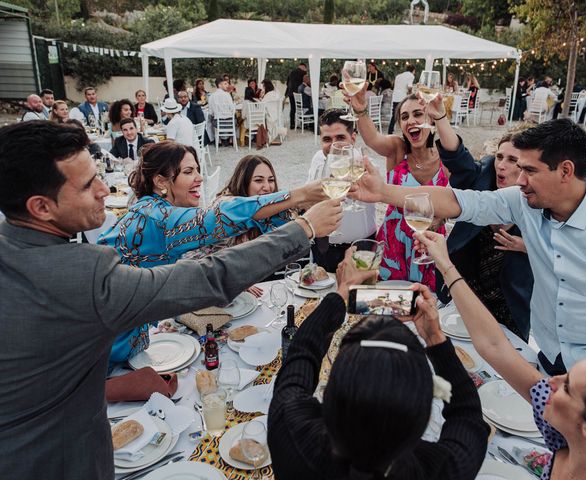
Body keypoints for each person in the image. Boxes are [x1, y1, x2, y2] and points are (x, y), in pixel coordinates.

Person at [0, 120, 341, 480]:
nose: (104, 190)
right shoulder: (88, 270)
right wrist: (303, 223)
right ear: (40, 207)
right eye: (87, 185)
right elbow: (211, 272)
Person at [353, 118, 586, 373]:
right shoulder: (523, 200)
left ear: (565, 170)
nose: (521, 180)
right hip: (548, 354)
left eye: (529, 170)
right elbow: (458, 201)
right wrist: (383, 192)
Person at [415, 230, 586, 480]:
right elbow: (495, 346)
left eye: (567, 387)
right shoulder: (564, 435)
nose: (550, 380)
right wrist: (446, 266)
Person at [268, 249, 489, 480]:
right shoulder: (443, 470)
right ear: (422, 418)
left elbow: (302, 353)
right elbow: (468, 416)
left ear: (330, 395)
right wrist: (435, 339)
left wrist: (341, 295)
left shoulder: (293, 438)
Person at [99, 144, 327, 365]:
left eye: (198, 170)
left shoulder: (151, 211)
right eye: (189, 172)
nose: (199, 177)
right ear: (161, 182)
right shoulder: (154, 218)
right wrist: (301, 195)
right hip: (105, 352)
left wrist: (305, 209)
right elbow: (220, 217)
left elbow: (263, 224)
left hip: (125, 341)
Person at [349, 87, 450, 290]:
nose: (411, 120)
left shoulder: (446, 159)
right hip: (393, 242)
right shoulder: (397, 149)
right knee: (390, 301)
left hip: (427, 244)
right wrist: (360, 110)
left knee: (426, 302)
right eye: (404, 117)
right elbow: (372, 139)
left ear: (430, 119)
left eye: (418, 114)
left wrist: (440, 218)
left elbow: (456, 200)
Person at [437, 132, 533, 341]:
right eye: (499, 157)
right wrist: (440, 118)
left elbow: (561, 255)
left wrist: (528, 247)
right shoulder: (482, 186)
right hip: (467, 300)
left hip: (509, 312)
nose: (501, 165)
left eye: (512, 160)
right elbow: (458, 160)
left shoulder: (537, 205)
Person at [306, 109, 377, 272]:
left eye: (340, 138)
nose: (334, 145)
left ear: (353, 138)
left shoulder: (366, 165)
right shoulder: (318, 159)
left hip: (359, 248)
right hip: (323, 246)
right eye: (327, 139)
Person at [389, 64, 415, 134]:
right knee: (404, 114)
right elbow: (409, 87)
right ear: (413, 70)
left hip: (395, 97)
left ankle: (390, 131)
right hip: (402, 97)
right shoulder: (411, 75)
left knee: (394, 115)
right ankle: (405, 131)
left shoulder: (398, 76)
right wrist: (410, 94)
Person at [260, 79, 283, 144]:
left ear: (266, 86)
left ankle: (265, 137)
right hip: (276, 114)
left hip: (270, 115)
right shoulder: (275, 93)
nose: (263, 88)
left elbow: (262, 105)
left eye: (264, 86)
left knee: (261, 115)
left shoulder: (268, 95)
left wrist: (261, 97)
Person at [285, 62, 307, 129]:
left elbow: (287, 83)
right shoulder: (303, 73)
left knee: (293, 108)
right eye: (305, 68)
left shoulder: (291, 72)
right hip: (298, 93)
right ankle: (303, 123)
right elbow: (305, 82)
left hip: (291, 92)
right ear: (303, 67)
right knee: (301, 107)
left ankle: (292, 124)